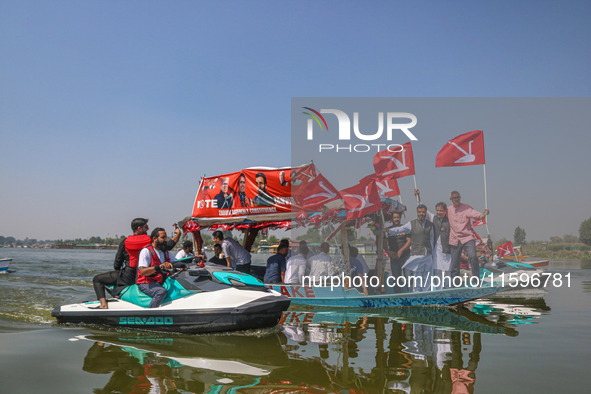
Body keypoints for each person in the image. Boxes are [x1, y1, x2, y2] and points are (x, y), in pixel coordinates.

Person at [92, 218, 181, 309]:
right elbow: (169, 245)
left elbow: (118, 261)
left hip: (129, 275)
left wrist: (117, 272)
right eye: (146, 227)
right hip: (145, 275)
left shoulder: (125, 241)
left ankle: (103, 304)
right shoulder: (150, 241)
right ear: (139, 228)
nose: (148, 228)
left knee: (97, 279)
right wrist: (178, 234)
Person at [387, 204, 434, 292]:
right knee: (415, 275)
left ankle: (425, 293)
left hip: (427, 254)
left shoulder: (430, 225)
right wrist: (388, 230)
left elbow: (432, 238)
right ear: (417, 213)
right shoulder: (412, 224)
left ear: (426, 213)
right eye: (419, 212)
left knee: (427, 276)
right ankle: (414, 294)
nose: (421, 214)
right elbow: (399, 229)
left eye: (423, 212)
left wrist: (432, 252)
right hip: (416, 254)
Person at [447, 191, 489, 280]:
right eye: (454, 198)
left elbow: (477, 215)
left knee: (473, 256)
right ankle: (455, 283)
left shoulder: (466, 208)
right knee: (454, 262)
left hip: (467, 237)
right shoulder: (448, 210)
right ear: (451, 199)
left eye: (458, 197)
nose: (456, 199)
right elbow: (438, 214)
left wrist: (484, 214)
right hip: (454, 238)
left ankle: (476, 278)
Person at [415, 189, 452, 289]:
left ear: (445, 211)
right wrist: (418, 196)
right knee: (437, 272)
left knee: (448, 272)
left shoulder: (450, 221)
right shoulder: (434, 218)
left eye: (441, 210)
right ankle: (439, 290)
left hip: (447, 250)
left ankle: (448, 290)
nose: (439, 212)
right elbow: (423, 211)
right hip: (437, 251)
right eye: (437, 210)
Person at [137, 228, 177, 308]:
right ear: (154, 238)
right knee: (161, 292)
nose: (166, 240)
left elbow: (177, 262)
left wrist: (194, 258)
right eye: (163, 237)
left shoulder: (165, 252)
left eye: (166, 238)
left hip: (160, 281)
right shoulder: (146, 251)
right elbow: (142, 272)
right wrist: (160, 266)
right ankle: (150, 314)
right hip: (146, 283)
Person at [385, 211, 411, 293]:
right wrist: (388, 252)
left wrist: (400, 251)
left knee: (408, 278)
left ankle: (410, 296)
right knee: (396, 279)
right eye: (395, 217)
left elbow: (409, 241)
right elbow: (383, 242)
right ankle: (397, 297)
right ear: (392, 219)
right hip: (394, 258)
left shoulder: (405, 228)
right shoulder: (388, 230)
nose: (396, 219)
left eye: (398, 217)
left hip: (405, 257)